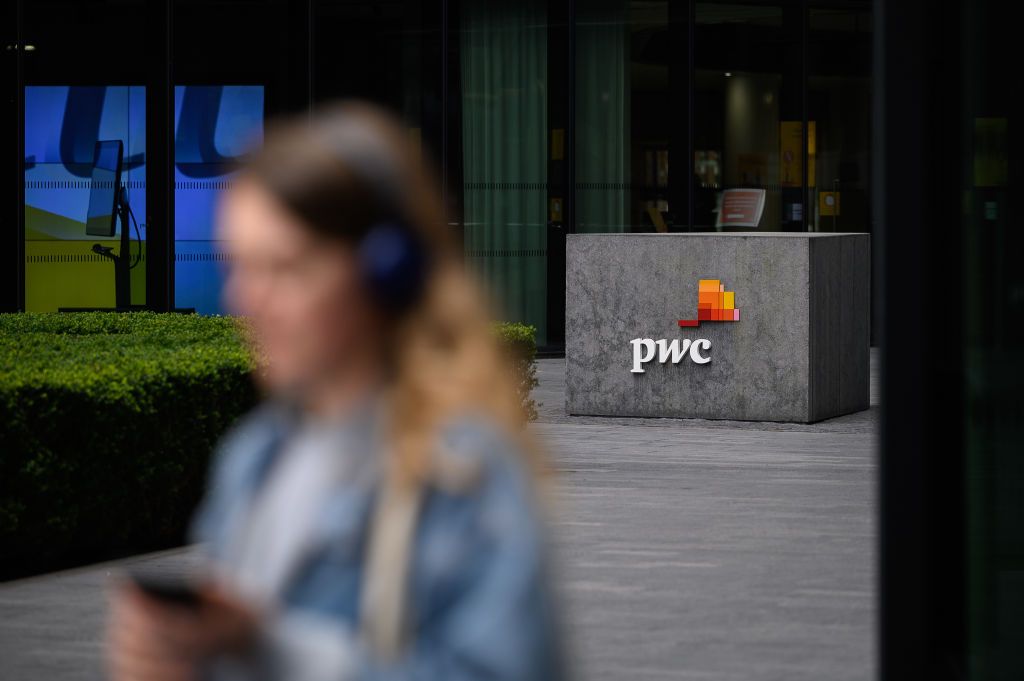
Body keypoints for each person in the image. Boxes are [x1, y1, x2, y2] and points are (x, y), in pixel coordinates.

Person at [105, 101, 566, 681]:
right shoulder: (254, 455)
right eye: (241, 267)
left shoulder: (460, 474)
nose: (247, 301)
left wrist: (272, 650)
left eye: (285, 268)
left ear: (387, 271)